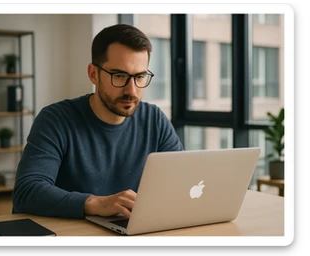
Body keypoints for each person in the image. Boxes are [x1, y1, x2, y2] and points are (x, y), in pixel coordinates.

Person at [12, 24, 184, 220]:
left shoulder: (154, 120)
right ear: (93, 74)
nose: (131, 90)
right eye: (119, 76)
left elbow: (183, 180)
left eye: (140, 77)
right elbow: (27, 192)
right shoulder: (55, 120)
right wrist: (96, 203)